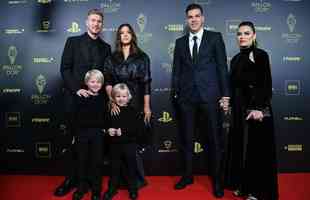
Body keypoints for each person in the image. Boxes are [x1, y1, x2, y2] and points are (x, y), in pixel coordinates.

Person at [171, 3, 230, 198]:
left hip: (210, 98)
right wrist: (176, 93)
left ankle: (217, 182)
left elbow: (222, 68)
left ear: (202, 18)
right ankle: (187, 176)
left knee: (214, 140)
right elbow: (176, 71)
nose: (194, 19)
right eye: (190, 17)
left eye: (197, 16)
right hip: (187, 99)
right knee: (187, 140)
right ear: (187, 20)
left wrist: (225, 95)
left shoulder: (215, 38)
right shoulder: (180, 43)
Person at [56, 8, 111, 197]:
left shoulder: (106, 48)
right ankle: (71, 179)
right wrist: (76, 89)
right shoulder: (73, 42)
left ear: (101, 25)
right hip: (74, 101)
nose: (96, 24)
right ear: (86, 22)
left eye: (99, 21)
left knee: (95, 148)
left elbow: (106, 76)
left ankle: (90, 182)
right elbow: (64, 69)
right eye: (93, 20)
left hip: (96, 106)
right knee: (73, 144)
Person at [224, 21, 278, 200]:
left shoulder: (261, 55)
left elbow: (266, 84)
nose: (242, 37)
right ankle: (244, 186)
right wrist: (227, 100)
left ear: (254, 36)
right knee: (242, 149)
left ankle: (257, 191)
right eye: (239, 34)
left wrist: (259, 108)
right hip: (240, 110)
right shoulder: (236, 59)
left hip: (256, 110)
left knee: (256, 152)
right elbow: (233, 87)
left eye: (247, 33)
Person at [103, 23, 151, 189]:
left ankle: (135, 181)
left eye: (128, 32)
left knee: (132, 144)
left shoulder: (142, 57)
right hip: (117, 103)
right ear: (118, 36)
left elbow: (146, 84)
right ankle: (119, 181)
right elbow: (108, 81)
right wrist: (111, 100)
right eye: (121, 33)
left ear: (132, 35)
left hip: (135, 104)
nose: (125, 35)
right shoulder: (111, 57)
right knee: (117, 143)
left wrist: (146, 107)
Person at [103, 83, 142, 200]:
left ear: (128, 97)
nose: (121, 99)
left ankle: (133, 189)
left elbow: (137, 129)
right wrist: (107, 131)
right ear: (113, 97)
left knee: (131, 167)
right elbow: (105, 125)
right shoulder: (110, 110)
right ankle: (112, 189)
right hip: (114, 145)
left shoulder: (133, 111)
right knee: (114, 168)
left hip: (129, 145)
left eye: (124, 96)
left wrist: (123, 131)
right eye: (118, 96)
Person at [73, 69, 107, 200]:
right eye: (92, 81)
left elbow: (105, 117)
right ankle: (81, 188)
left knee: (97, 162)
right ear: (86, 82)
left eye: (98, 82)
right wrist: (75, 134)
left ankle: (96, 190)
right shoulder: (80, 96)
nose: (95, 84)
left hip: (97, 135)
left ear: (102, 84)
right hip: (82, 133)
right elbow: (75, 117)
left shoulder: (103, 98)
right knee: (81, 161)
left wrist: (104, 129)